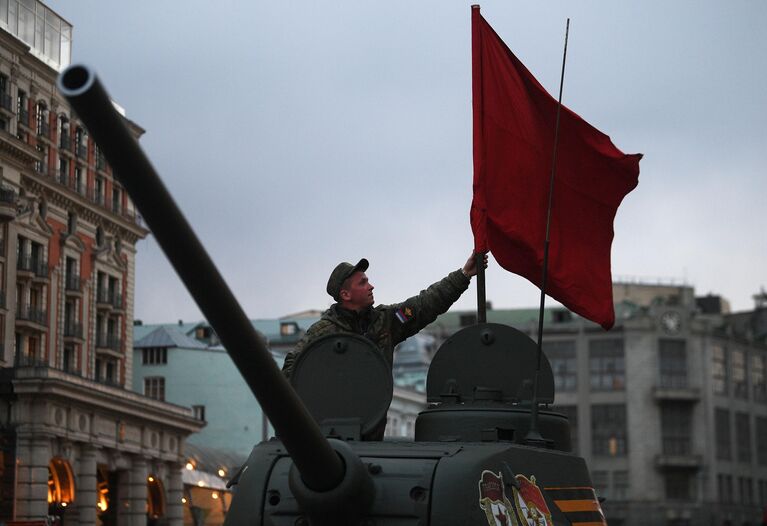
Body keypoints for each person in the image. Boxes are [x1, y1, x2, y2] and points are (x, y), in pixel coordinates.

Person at [282, 252, 488, 377]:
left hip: (373, 426)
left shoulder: (388, 321)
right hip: (329, 430)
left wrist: (463, 275)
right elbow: (292, 371)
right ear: (345, 294)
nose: (371, 286)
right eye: (362, 283)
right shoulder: (322, 333)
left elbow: (423, 305)